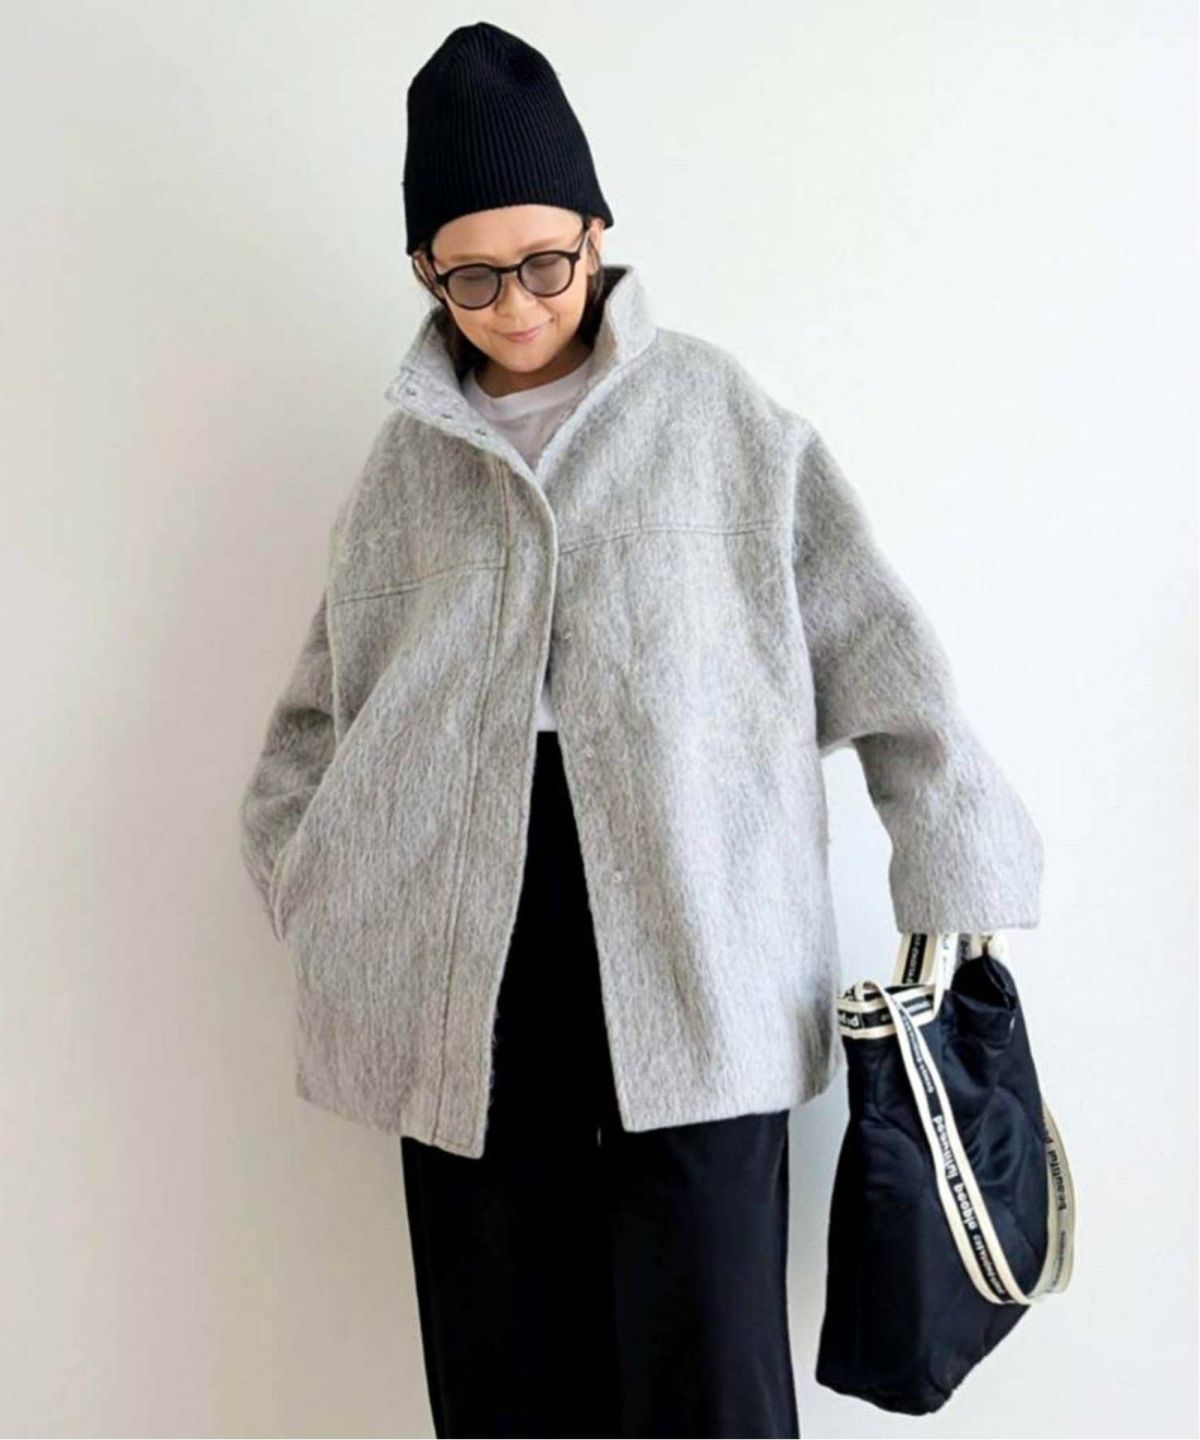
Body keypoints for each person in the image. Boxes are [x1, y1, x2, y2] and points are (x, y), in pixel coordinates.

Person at [238, 21, 1044, 1440]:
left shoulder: (715, 414)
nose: (515, 303)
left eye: (545, 261)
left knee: (711, 1375)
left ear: (598, 235)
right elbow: (320, 711)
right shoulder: (408, 462)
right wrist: (317, 884)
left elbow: (879, 649)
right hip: (464, 960)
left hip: (691, 946)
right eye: (472, 275)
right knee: (503, 1375)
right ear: (426, 271)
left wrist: (953, 858)